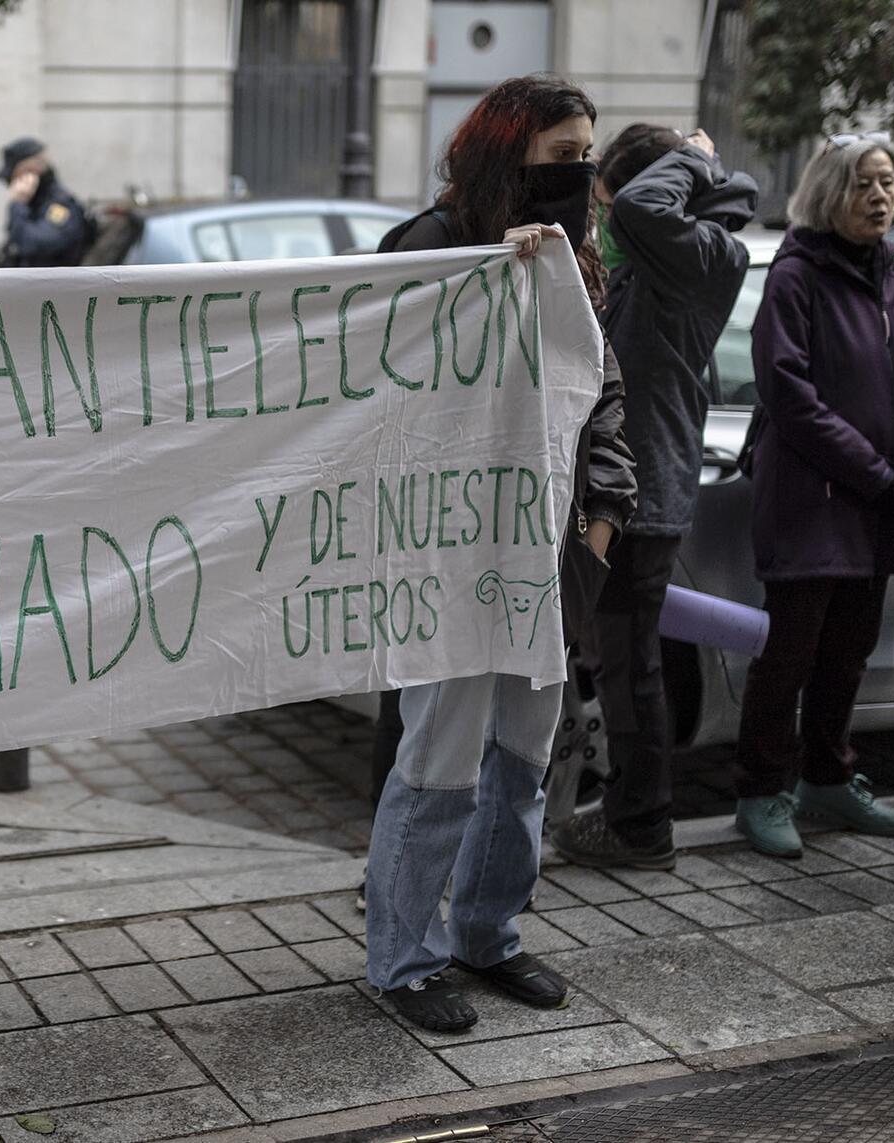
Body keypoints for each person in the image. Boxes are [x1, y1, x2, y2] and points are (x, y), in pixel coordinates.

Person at [361, 74, 636, 1033]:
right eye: (563, 156)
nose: (581, 172)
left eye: (586, 156)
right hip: (450, 554)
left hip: (551, 550)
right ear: (505, 147)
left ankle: (490, 933)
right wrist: (491, 283)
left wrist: (602, 518)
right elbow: (380, 395)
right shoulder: (429, 247)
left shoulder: (579, 259)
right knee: (439, 758)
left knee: (522, 757)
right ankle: (403, 958)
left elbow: (603, 394)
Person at [552, 124, 757, 871]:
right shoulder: (661, 255)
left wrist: (695, 158)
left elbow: (640, 205)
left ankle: (641, 823)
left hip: (643, 485)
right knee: (621, 662)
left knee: (630, 666)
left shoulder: (705, 252)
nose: (604, 221)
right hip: (629, 477)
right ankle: (634, 815)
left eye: (602, 203)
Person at [732, 135, 894, 859]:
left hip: (878, 501)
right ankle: (761, 789)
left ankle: (828, 775)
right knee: (788, 652)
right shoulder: (794, 277)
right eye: (863, 185)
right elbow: (790, 398)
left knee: (849, 649)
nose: (881, 197)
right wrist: (880, 476)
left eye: (887, 182)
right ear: (829, 195)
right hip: (814, 498)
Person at [0, 136, 96, 268]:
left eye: (12, 177)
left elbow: (33, 245)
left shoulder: (60, 206)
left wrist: (17, 204)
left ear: (29, 172)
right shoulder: (34, 204)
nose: (10, 185)